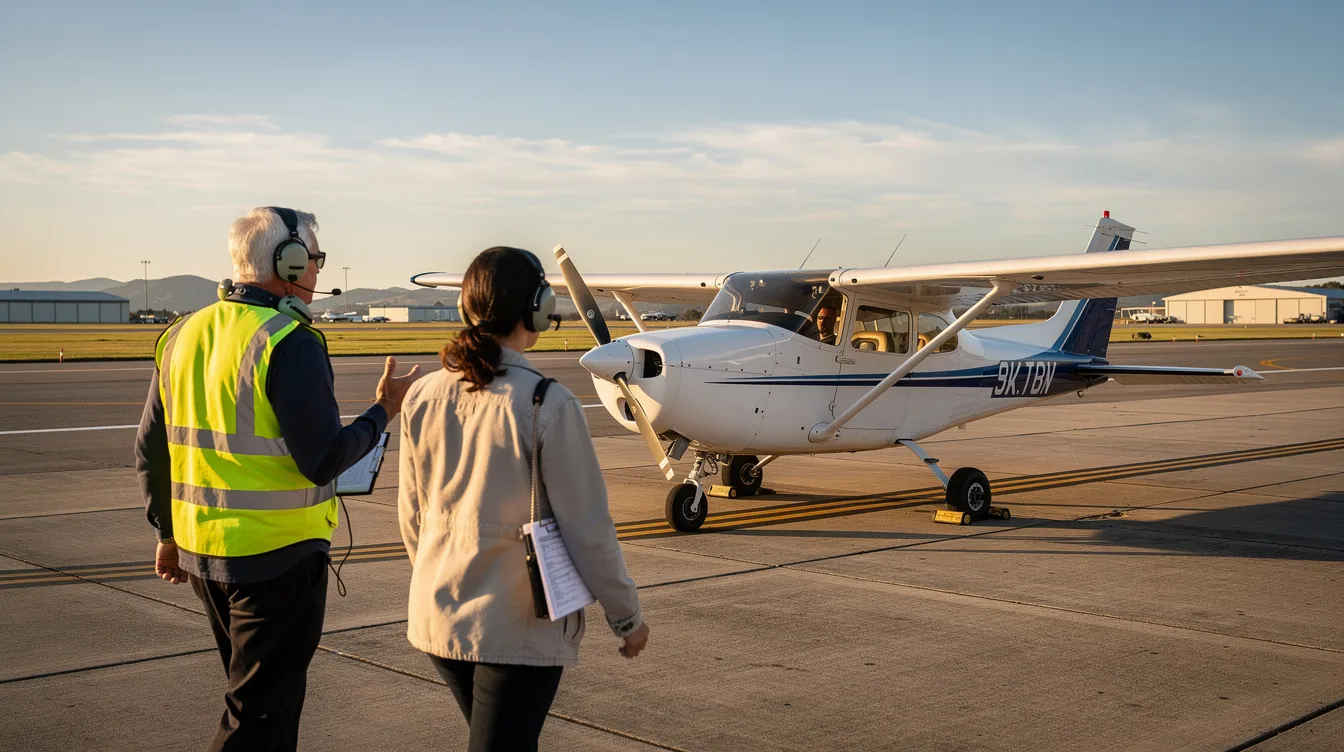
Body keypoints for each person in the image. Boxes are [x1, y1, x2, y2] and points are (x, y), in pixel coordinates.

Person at [135, 206, 422, 752]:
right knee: (258, 722)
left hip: (203, 553)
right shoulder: (288, 340)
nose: (317, 272)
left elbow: (152, 450)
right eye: (314, 260)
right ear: (288, 262)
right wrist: (383, 411)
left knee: (263, 707)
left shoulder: (181, 333)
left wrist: (167, 535)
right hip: (277, 560)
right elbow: (323, 459)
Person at [398, 246, 649, 751]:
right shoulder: (547, 403)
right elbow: (588, 530)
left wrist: (441, 574)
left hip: (438, 613)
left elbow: (413, 518)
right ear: (536, 308)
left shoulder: (422, 394)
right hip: (512, 629)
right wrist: (627, 616)